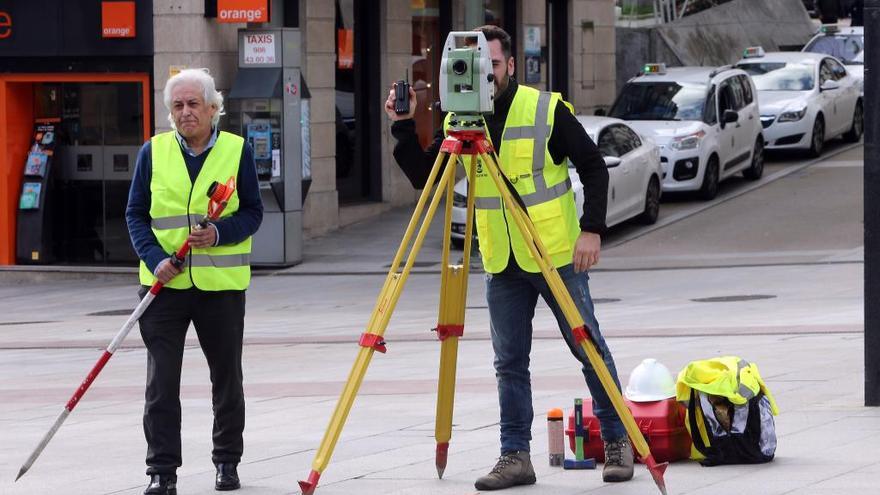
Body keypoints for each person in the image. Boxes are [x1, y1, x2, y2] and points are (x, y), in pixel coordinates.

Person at [385, 25, 633, 491]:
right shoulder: (462, 118)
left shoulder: (542, 109)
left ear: (510, 66)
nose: (485, 74)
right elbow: (426, 178)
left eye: (492, 64)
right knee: (509, 363)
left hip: (555, 254)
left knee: (589, 348)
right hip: (503, 262)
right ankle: (515, 455)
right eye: (477, 66)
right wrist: (402, 125)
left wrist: (592, 229)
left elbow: (593, 164)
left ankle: (618, 440)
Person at [126, 68, 263, 494]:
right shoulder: (154, 151)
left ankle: (227, 463)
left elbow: (253, 212)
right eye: (178, 106)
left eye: (193, 104)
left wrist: (220, 233)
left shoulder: (237, 151)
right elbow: (135, 215)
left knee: (226, 380)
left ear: (212, 108)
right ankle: (161, 472)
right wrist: (155, 259)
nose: (185, 112)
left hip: (220, 289)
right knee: (161, 384)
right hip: (164, 287)